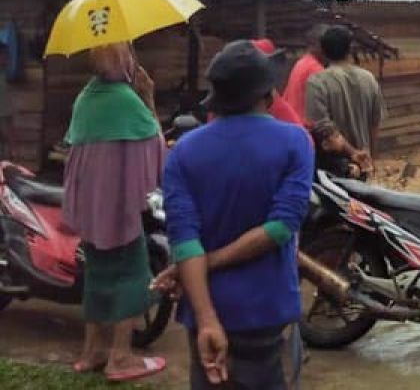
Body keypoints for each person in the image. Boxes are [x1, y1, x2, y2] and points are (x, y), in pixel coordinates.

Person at [163, 40, 314, 389]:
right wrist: (208, 262)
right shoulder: (295, 142)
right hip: (267, 309)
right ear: (268, 94)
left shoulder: (183, 151)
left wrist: (206, 317)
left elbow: (185, 243)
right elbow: (279, 228)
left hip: (203, 308)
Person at [61, 42, 167, 382]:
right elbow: (158, 151)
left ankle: (91, 352)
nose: (133, 61)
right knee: (133, 276)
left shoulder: (85, 97)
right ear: (121, 62)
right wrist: (148, 98)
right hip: (120, 208)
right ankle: (120, 357)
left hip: (91, 209)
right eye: (129, 56)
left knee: (96, 275)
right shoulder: (126, 100)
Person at [306, 25, 383, 178]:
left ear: (323, 50)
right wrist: (371, 158)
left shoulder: (317, 82)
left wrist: (352, 153)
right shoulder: (369, 79)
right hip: (362, 164)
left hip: (332, 169)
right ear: (350, 49)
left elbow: (323, 128)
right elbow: (375, 123)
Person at [281, 25, 326, 124]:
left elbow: (285, 98)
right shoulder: (315, 69)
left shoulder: (301, 63)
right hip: (306, 129)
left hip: (293, 124)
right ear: (317, 45)